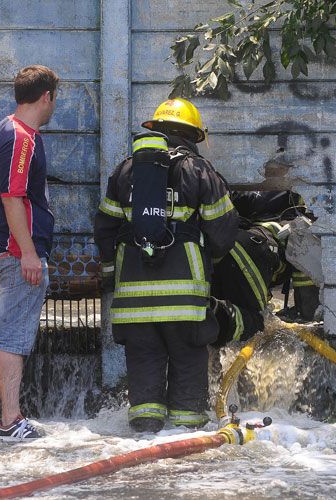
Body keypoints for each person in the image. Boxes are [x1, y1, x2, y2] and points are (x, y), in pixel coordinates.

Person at [94, 98, 238, 432]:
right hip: (185, 300)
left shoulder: (125, 171)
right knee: (188, 367)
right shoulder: (199, 171)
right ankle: (185, 449)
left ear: (156, 131)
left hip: (133, 302)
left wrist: (110, 276)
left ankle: (145, 437)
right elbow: (223, 230)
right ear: (192, 135)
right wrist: (208, 261)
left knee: (144, 371)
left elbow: (104, 228)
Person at [0, 64, 59, 439]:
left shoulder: (5, 128)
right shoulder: (21, 137)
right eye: (54, 99)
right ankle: (10, 421)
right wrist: (28, 253)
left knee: (5, 335)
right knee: (12, 337)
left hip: (5, 249)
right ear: (47, 97)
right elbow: (12, 196)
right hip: (15, 253)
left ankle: (11, 418)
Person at [210, 190, 320, 347]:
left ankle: (210, 318)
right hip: (250, 255)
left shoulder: (254, 213)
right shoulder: (301, 230)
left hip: (219, 254)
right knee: (258, 326)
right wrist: (308, 317)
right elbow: (306, 286)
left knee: (225, 318)